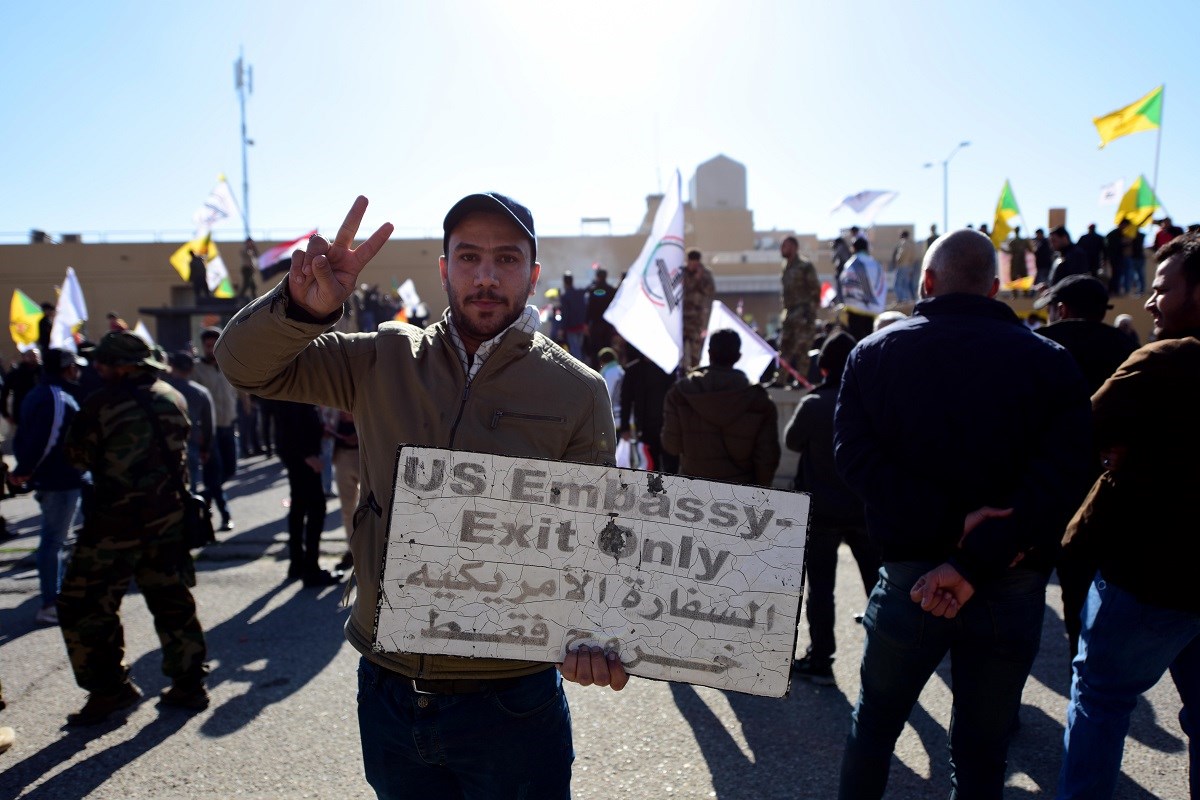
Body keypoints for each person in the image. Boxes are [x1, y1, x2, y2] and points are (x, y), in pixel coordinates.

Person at [215, 192, 627, 798]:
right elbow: (245, 367)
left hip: (512, 702)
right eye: (469, 257)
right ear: (443, 268)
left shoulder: (578, 390)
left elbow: (596, 541)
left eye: (507, 259)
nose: (486, 276)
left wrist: (597, 636)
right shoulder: (382, 357)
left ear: (533, 275)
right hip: (388, 692)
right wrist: (299, 309)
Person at [833, 229, 1094, 799]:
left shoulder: (873, 354)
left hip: (912, 581)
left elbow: (855, 459)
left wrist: (951, 527)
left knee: (874, 730)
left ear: (926, 283)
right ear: (996, 288)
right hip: (1010, 577)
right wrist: (979, 547)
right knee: (982, 752)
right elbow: (1069, 472)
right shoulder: (1049, 362)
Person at [1057, 231, 1200, 799]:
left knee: (1100, 701)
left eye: (1163, 289)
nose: (1150, 301)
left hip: (1148, 579)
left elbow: (1077, 433)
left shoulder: (1167, 360)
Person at [57, 331, 209, 725]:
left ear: (123, 367)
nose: (98, 367)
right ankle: (190, 684)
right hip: (168, 519)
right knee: (172, 601)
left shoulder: (102, 404)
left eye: (104, 362)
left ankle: (110, 689)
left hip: (115, 525)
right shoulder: (171, 396)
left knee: (83, 604)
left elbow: (76, 457)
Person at [1033, 274, 1137, 662]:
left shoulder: (1038, 344)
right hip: (1108, 487)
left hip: (1041, 487)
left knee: (1022, 592)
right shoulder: (1127, 348)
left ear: (1060, 308)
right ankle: (1087, 661)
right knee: (1093, 587)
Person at [784, 330, 880, 685]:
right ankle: (888, 653)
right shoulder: (870, 401)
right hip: (864, 508)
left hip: (821, 509)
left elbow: (792, 441)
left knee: (821, 588)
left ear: (822, 366)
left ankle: (821, 658)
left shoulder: (815, 403)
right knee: (878, 583)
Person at [8, 349, 89, 626]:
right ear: (67, 368)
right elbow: (47, 439)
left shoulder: (39, 393)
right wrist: (25, 470)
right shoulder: (55, 396)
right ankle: (50, 603)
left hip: (56, 479)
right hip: (59, 480)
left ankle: (56, 597)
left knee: (56, 541)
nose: (78, 371)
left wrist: (26, 470)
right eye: (75, 366)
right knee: (53, 542)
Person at [661, 329, 780, 487]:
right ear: (738, 357)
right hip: (740, 494)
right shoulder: (759, 400)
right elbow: (767, 457)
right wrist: (760, 494)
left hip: (692, 491)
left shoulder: (681, 393)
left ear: (709, 354)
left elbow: (671, 445)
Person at [273, 400, 341, 587]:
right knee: (316, 508)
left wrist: (320, 430)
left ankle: (297, 563)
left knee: (299, 506)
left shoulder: (291, 390)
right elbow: (291, 426)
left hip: (297, 455)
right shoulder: (294, 393)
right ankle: (310, 568)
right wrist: (307, 455)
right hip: (302, 458)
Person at [192, 327, 237, 531]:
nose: (210, 349)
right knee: (214, 473)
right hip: (210, 430)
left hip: (229, 425)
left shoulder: (229, 365)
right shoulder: (196, 369)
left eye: (214, 345)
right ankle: (225, 515)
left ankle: (203, 498)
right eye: (207, 346)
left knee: (230, 470)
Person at [163, 350, 215, 495]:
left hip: (163, 444)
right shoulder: (201, 392)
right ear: (192, 369)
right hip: (191, 441)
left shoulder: (162, 391)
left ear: (171, 366)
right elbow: (208, 424)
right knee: (190, 487)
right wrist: (206, 448)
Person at [618, 343, 675, 473]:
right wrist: (625, 427)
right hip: (645, 429)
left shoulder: (668, 369)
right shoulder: (633, 370)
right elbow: (626, 401)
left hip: (668, 427)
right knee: (650, 468)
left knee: (671, 468)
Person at [777, 236, 820, 384]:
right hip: (789, 312)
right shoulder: (785, 266)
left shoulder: (805, 266)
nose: (782, 248)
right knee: (785, 347)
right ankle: (780, 379)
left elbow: (815, 290)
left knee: (802, 348)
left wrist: (810, 313)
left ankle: (801, 380)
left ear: (794, 247)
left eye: (785, 245)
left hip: (803, 312)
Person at [838, 237, 887, 340]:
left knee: (856, 342)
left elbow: (845, 285)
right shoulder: (876, 264)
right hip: (873, 311)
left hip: (854, 311)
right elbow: (882, 285)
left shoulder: (851, 264)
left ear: (853, 248)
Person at [331, 409, 359, 572]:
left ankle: (371, 550)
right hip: (342, 454)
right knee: (348, 509)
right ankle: (352, 550)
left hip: (364, 452)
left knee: (373, 507)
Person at [680, 250, 716, 372]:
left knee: (696, 350)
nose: (693, 266)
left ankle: (695, 371)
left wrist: (700, 279)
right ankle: (681, 371)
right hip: (681, 318)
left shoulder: (705, 274)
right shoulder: (681, 273)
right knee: (680, 350)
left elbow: (710, 291)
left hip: (696, 318)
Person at [2, 347, 42, 430]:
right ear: (24, 358)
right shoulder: (16, 374)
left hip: (42, 412)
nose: (34, 358)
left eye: (36, 356)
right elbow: (4, 393)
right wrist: (5, 413)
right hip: (22, 413)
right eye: (31, 356)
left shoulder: (44, 372)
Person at [585, 267, 617, 368]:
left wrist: (586, 323)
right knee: (607, 347)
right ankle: (608, 367)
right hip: (608, 325)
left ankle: (596, 370)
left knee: (595, 350)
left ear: (597, 277)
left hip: (596, 325)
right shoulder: (612, 290)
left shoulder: (592, 290)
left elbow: (589, 308)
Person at [558, 271, 589, 361]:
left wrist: (562, 328)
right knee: (579, 348)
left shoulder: (565, 296)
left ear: (564, 282)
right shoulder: (579, 293)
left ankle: (579, 372)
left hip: (571, 327)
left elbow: (565, 314)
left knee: (575, 350)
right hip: (581, 326)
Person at [890, 230, 918, 305]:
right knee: (905, 284)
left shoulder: (904, 243)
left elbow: (901, 254)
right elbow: (914, 257)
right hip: (909, 266)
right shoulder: (912, 244)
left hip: (902, 265)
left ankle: (901, 299)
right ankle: (906, 300)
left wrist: (897, 260)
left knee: (898, 284)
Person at [596, 347, 623, 425]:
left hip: (611, 418)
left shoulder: (605, 373)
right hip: (625, 417)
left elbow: (604, 396)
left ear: (602, 361)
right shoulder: (621, 371)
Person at [1104, 220, 1130, 296]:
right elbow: (1112, 246)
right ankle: (1113, 291)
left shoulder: (1119, 233)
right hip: (1114, 257)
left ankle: (1115, 290)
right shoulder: (1113, 234)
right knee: (1116, 274)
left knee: (1117, 274)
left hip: (1117, 257)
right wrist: (1124, 244)